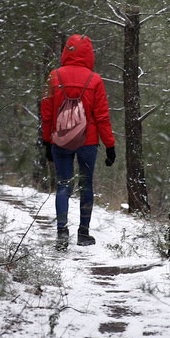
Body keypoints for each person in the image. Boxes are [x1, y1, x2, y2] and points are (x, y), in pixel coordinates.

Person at [40, 34, 116, 248]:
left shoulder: (53, 77)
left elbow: (46, 113)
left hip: (60, 139)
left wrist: (47, 141)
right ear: (89, 54)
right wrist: (110, 145)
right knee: (86, 185)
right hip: (88, 141)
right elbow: (102, 116)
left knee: (63, 185)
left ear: (66, 51)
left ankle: (62, 232)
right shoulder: (95, 80)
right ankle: (83, 233)